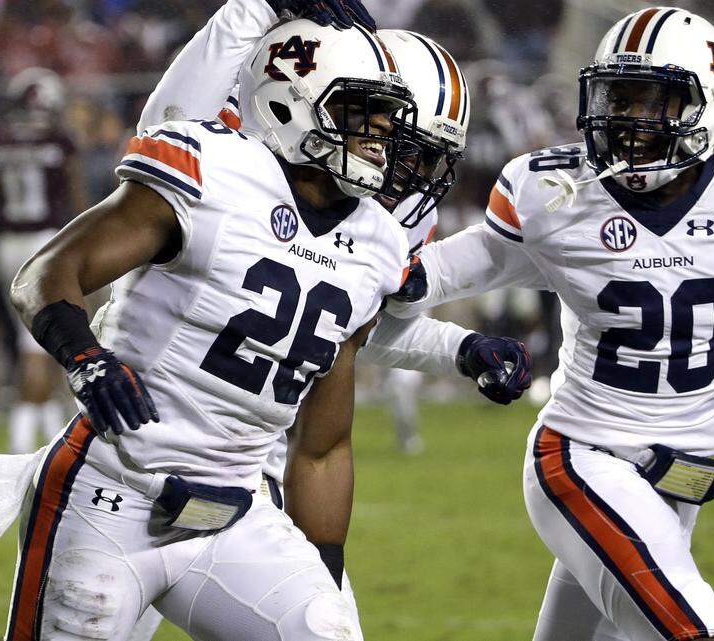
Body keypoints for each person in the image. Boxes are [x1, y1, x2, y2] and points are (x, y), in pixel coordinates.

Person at [389, 8, 714, 640]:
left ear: (708, 106)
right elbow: (435, 273)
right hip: (582, 456)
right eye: (616, 98)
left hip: (682, 476)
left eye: (650, 102)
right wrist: (396, 277)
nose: (625, 122)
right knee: (694, 631)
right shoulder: (557, 197)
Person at [0, 16, 425, 640]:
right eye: (362, 110)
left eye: (387, 115)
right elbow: (45, 273)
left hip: (238, 509)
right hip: (112, 493)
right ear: (295, 103)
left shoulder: (380, 242)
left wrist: (323, 574)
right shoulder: (215, 170)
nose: (381, 132)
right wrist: (86, 357)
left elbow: (324, 445)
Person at [122, 2, 532, 638]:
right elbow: (167, 127)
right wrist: (250, 9)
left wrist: (459, 347)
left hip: (255, 462)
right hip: (143, 446)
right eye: (407, 148)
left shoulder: (376, 220)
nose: (414, 178)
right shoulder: (251, 166)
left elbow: (336, 327)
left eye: (430, 160)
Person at [0, 67, 88, 453]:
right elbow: (78, 200)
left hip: (8, 243)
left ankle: (46, 427)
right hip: (46, 241)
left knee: (36, 339)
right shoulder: (59, 140)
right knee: (42, 342)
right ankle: (23, 438)